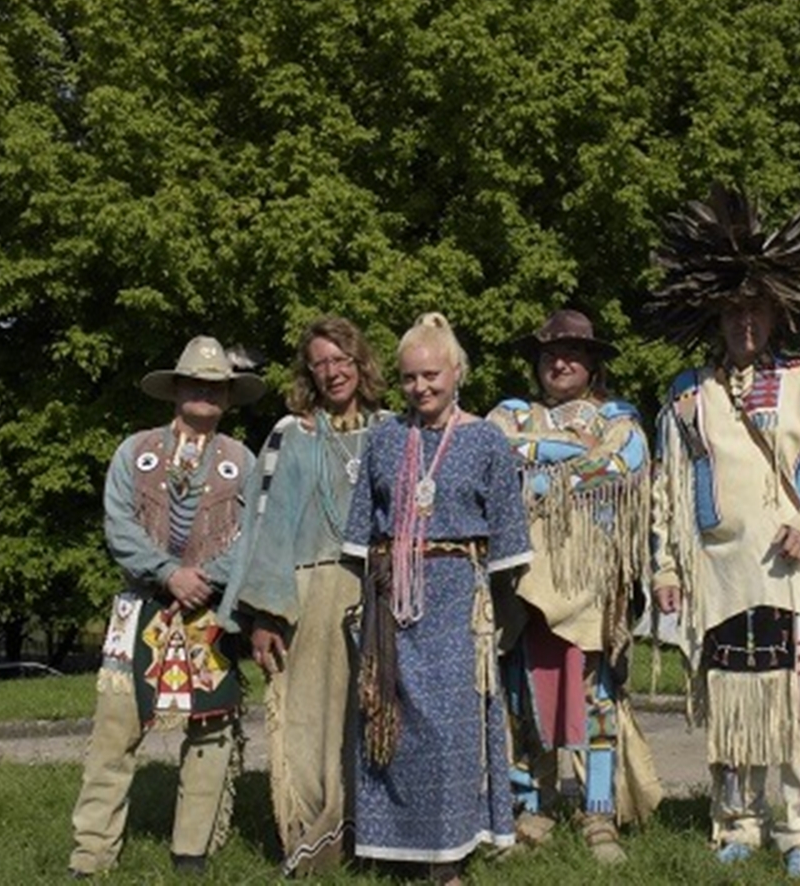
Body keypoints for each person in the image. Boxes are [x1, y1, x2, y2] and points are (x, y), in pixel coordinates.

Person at [647, 188, 800, 881]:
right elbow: (668, 491)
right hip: (720, 576)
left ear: (778, 313)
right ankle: (737, 820)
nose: (745, 320)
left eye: (756, 308)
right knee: (735, 705)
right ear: (716, 314)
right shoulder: (687, 397)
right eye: (733, 309)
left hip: (795, 577)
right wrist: (666, 567)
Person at [341, 312, 532, 886]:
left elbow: (508, 540)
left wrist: (492, 615)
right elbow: (360, 528)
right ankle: (391, 847)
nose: (420, 387)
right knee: (389, 717)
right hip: (392, 596)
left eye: (431, 375)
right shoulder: (384, 439)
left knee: (451, 731)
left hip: (456, 602)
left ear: (457, 373)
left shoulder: (485, 440)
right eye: (409, 378)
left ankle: (447, 858)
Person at [69, 335, 266, 878]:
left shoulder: (241, 462)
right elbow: (119, 526)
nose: (205, 393)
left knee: (210, 733)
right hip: (141, 607)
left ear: (228, 398)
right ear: (176, 389)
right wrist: (168, 573)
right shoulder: (135, 452)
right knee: (114, 733)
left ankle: (191, 851)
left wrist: (207, 580)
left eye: (216, 386)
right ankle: (92, 852)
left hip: (210, 613)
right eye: (195, 383)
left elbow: (253, 535)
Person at [487, 310, 663, 863]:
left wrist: (538, 462)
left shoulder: (620, 418)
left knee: (597, 698)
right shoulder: (513, 413)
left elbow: (623, 462)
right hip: (524, 585)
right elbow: (492, 456)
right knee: (524, 695)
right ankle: (533, 803)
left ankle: (598, 811)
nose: (559, 363)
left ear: (592, 363)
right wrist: (568, 453)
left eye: (571, 354)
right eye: (548, 355)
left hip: (591, 584)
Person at [216, 316, 389, 875]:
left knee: (379, 712)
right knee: (312, 715)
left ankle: (383, 836)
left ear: (361, 363)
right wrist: (267, 613)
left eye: (342, 359)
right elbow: (270, 526)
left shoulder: (393, 429)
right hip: (313, 589)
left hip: (384, 590)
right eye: (321, 363)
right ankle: (317, 836)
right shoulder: (293, 434)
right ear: (308, 373)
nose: (334, 371)